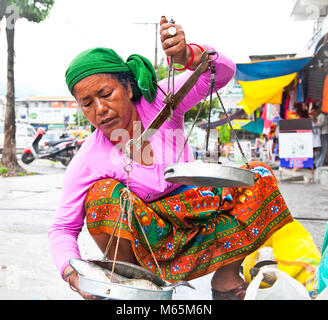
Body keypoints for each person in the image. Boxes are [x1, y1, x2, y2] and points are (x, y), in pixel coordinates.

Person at [49, 16, 293, 300]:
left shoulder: (160, 101)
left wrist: (188, 54)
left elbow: (223, 72)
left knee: (258, 176)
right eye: (87, 103)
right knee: (103, 195)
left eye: (106, 94)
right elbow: (63, 228)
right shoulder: (89, 158)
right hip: (148, 243)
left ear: (128, 87)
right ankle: (129, 285)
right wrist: (71, 271)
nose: (100, 109)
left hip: (199, 220)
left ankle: (226, 279)